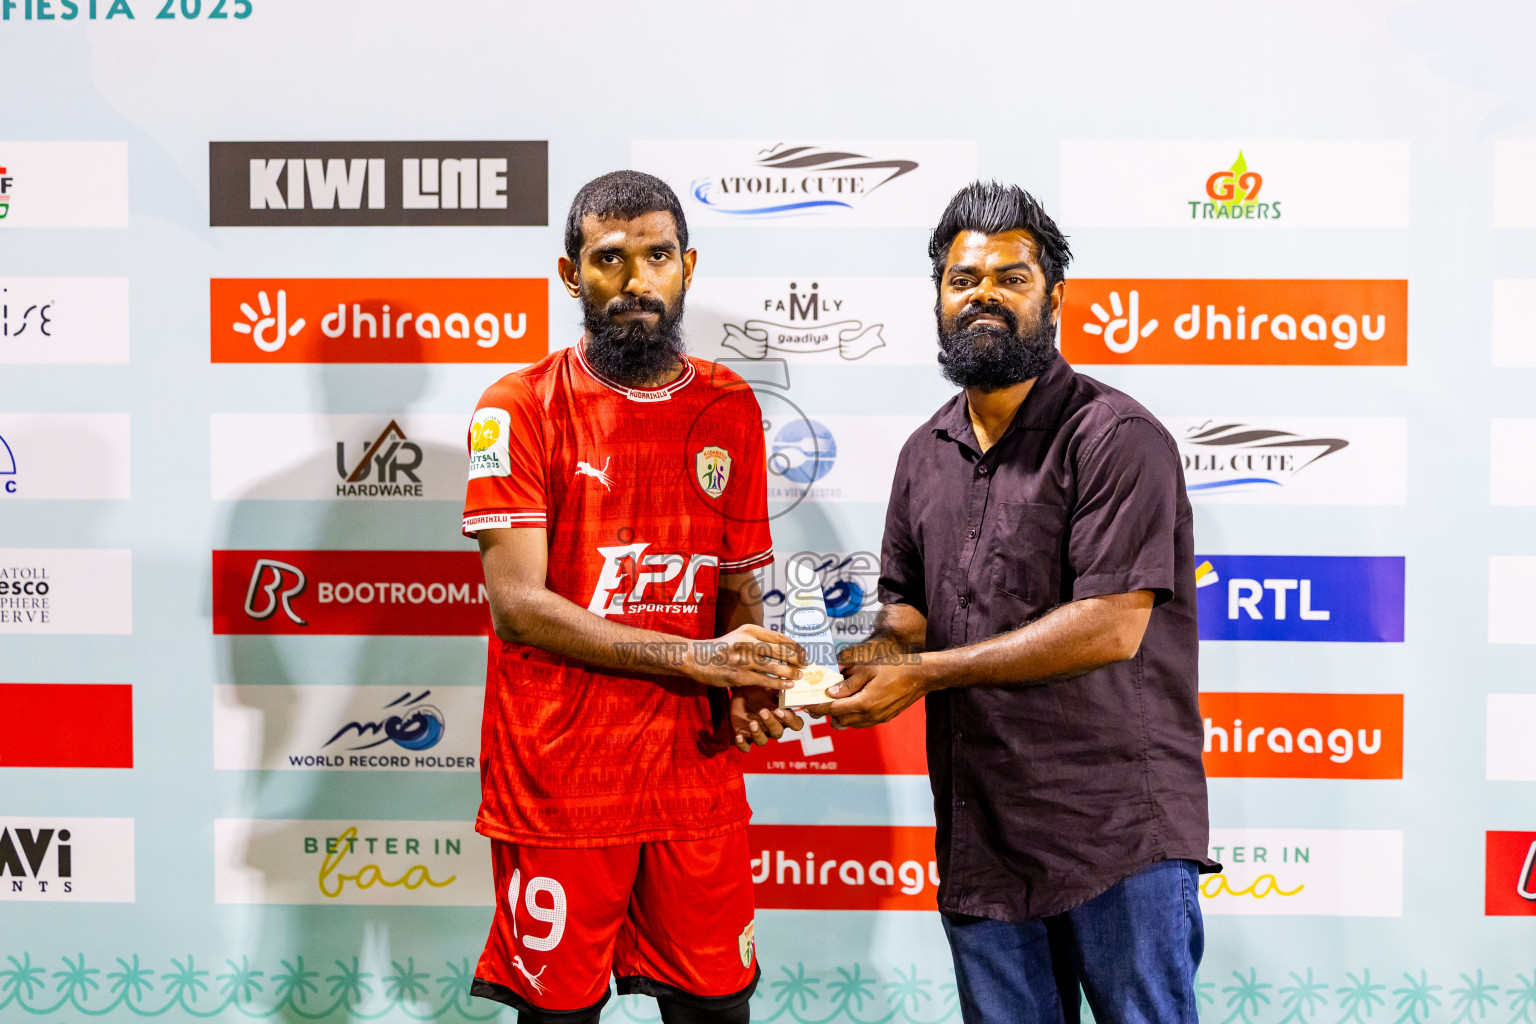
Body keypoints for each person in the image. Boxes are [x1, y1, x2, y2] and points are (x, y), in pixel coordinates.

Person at [810, 181, 1214, 1024]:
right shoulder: (926, 452)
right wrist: (859, 665)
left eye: (1009, 277)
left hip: (1115, 834)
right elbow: (905, 613)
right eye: (963, 280)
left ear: (1054, 297)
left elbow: (1110, 625)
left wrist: (922, 674)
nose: (982, 295)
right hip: (982, 833)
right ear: (938, 299)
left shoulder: (1116, 437)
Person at [463, 170, 806, 1024]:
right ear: (571, 274)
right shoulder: (516, 408)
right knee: (559, 1018)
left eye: (657, 256)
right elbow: (519, 605)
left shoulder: (728, 406)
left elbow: (737, 588)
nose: (636, 280)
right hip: (561, 781)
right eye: (609, 259)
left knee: (718, 1011)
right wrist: (698, 657)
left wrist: (751, 673)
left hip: (693, 776)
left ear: (687, 266)